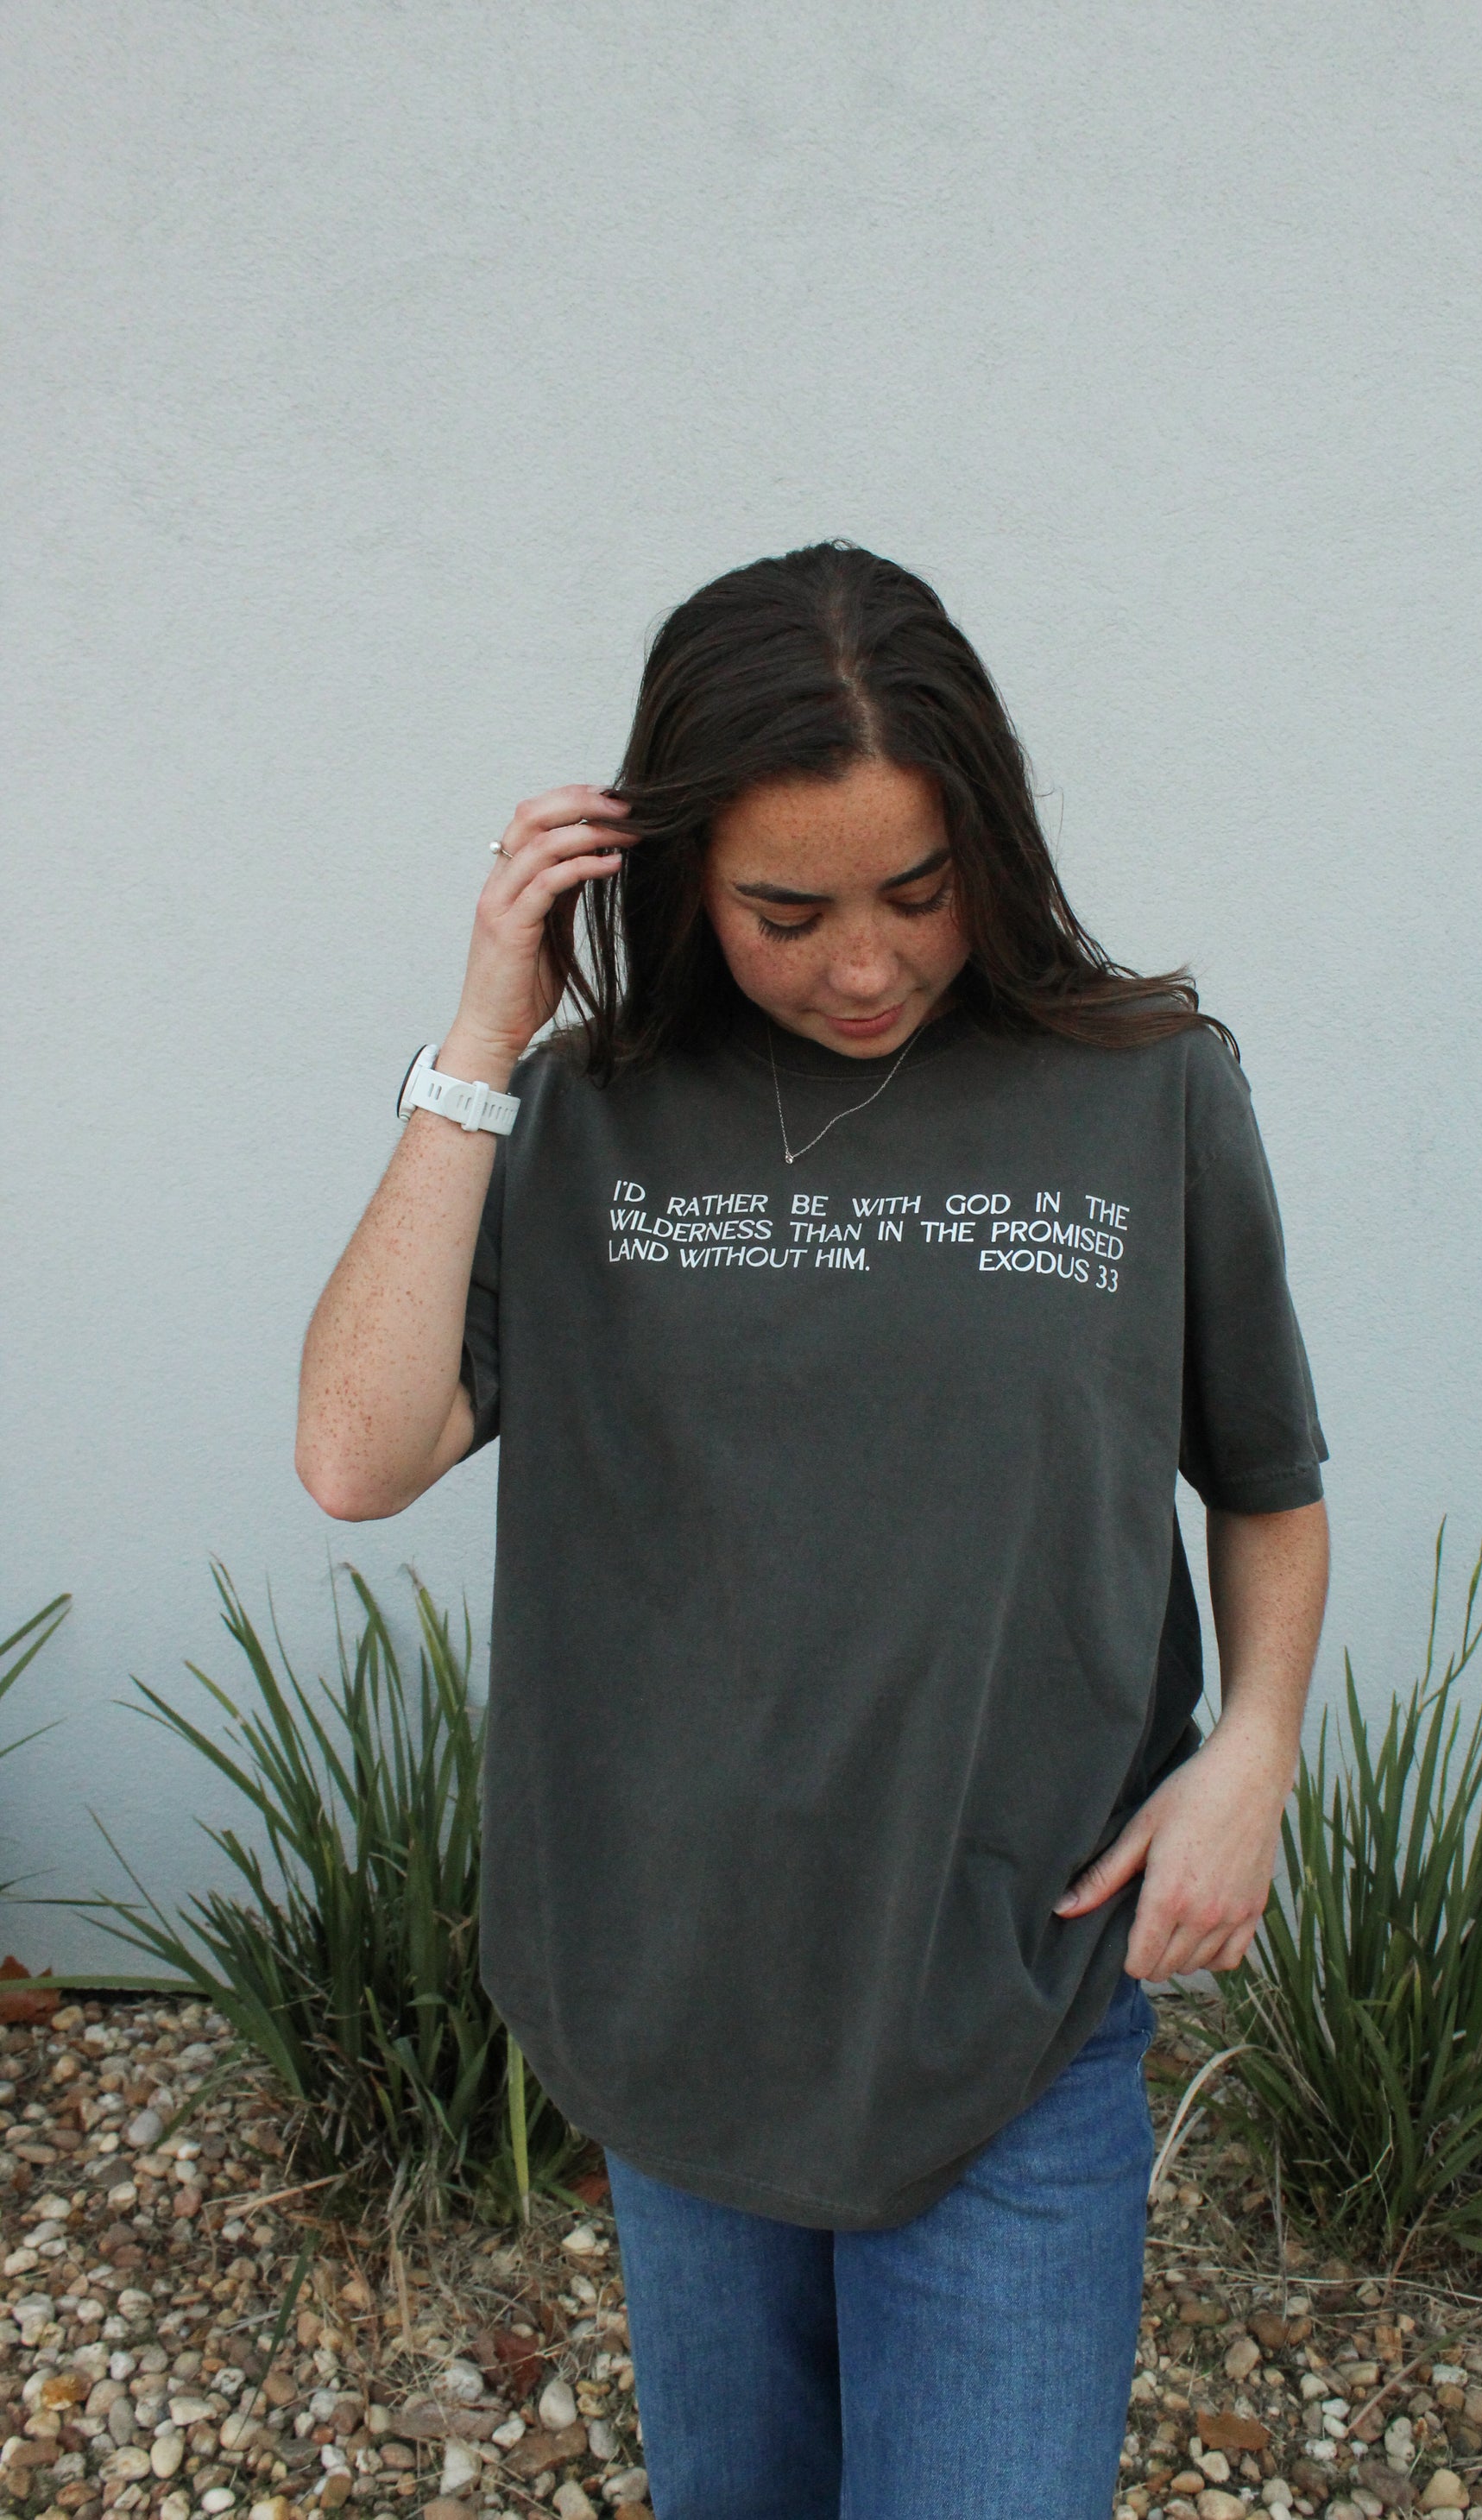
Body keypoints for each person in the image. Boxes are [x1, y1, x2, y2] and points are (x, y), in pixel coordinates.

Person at [296, 540, 1330, 2520]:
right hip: (676, 1995)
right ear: (677, 876)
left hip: (1014, 1986)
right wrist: (483, 1040)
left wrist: (1253, 1748)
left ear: (987, 846)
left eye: (916, 892)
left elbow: (1267, 1480)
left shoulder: (1144, 1089)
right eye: (787, 910)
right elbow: (355, 1452)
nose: (865, 964)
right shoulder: (582, 1116)